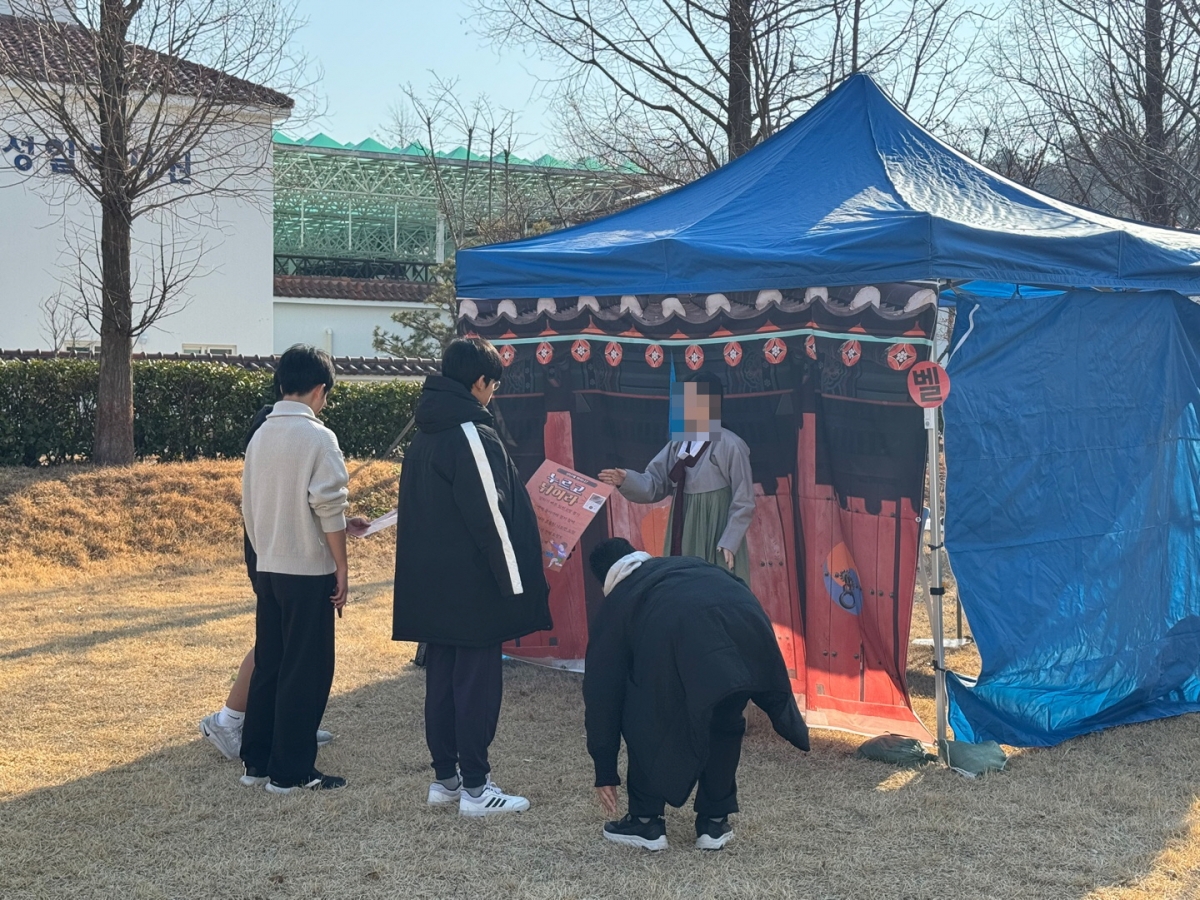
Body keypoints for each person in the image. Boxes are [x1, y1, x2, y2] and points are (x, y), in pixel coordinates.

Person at [392, 337, 551, 817]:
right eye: (493, 385)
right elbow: (491, 515)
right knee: (476, 684)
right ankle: (477, 789)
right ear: (480, 382)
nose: (492, 395)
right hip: (474, 585)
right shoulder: (469, 432)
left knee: (442, 679)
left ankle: (447, 780)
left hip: (435, 583)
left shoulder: (426, 433)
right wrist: (515, 584)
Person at [584, 537, 810, 851]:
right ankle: (714, 823)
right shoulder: (684, 564)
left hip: (683, 634)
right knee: (725, 715)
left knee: (644, 714)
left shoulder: (618, 601)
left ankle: (645, 821)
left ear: (604, 581)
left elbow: (602, 693)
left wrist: (605, 771)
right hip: (744, 623)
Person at [199, 403, 368, 760]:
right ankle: (231, 720)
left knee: (281, 645)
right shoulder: (286, 431)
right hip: (280, 557)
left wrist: (341, 523)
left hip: (273, 552)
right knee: (283, 649)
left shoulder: (271, 433)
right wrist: (340, 563)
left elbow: (299, 503)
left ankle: (283, 732)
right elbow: (301, 502)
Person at [239, 344, 352, 793]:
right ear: (320, 389)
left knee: (270, 663)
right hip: (307, 569)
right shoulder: (319, 438)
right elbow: (328, 506)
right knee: (307, 670)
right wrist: (341, 566)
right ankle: (291, 771)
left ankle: (257, 761)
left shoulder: (260, 435)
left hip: (267, 564)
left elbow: (254, 504)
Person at [598, 371, 754, 584]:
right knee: (685, 583)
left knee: (716, 585)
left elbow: (744, 499)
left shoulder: (730, 444)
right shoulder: (678, 444)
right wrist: (626, 479)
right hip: (683, 523)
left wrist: (730, 540)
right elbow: (654, 483)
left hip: (715, 530)